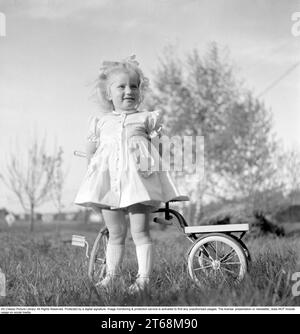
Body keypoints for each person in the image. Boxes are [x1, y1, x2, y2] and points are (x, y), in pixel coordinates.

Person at [74, 55, 183, 293]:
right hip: (108, 185)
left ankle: (143, 279)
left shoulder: (146, 119)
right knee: (115, 233)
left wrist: (151, 165)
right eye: (121, 86)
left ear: (140, 91)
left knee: (140, 231)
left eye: (134, 86)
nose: (128, 91)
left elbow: (159, 150)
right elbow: (91, 153)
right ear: (108, 93)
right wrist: (93, 181)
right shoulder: (101, 123)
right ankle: (111, 277)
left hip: (138, 185)